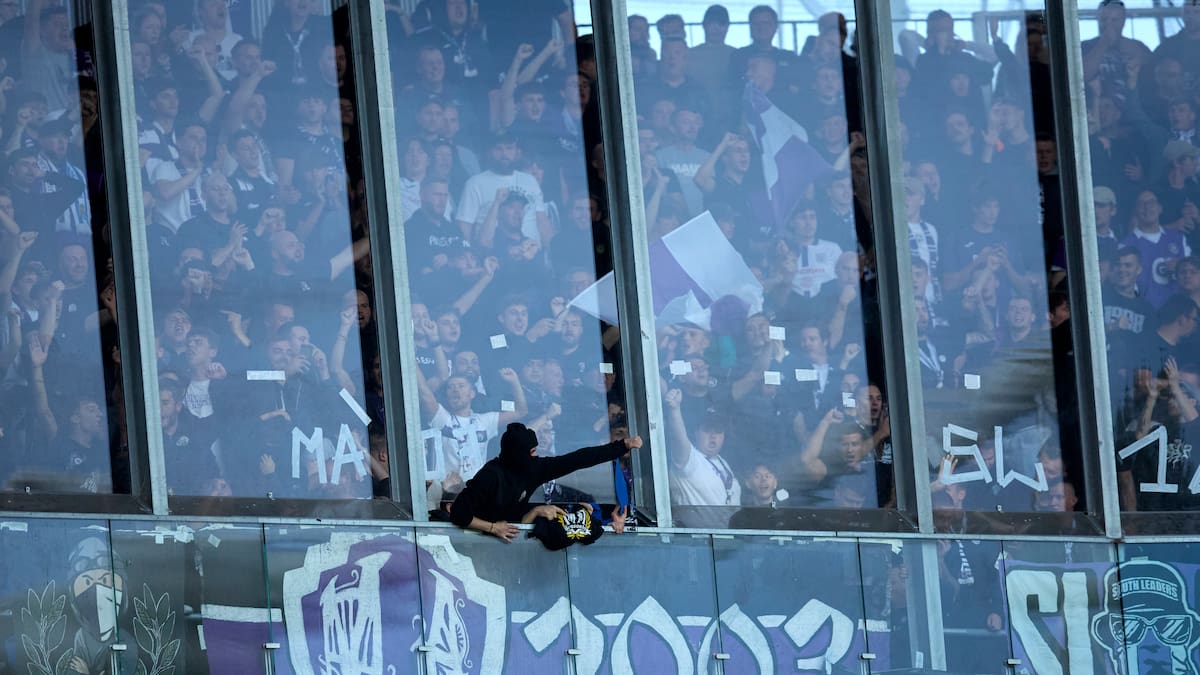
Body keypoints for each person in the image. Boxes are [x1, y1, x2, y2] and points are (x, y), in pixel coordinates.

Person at [448, 422, 641, 542]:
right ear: (517, 454)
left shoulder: (533, 468)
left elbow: (578, 459)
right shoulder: (490, 475)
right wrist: (493, 528)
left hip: (509, 540)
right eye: (532, 451)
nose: (536, 455)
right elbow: (459, 513)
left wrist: (621, 446)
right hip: (476, 541)